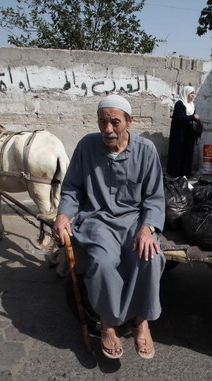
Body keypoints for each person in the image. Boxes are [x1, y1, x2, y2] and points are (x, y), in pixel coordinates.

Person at [53, 95, 165, 360]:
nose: (108, 129)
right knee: (103, 262)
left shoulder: (146, 149)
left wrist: (148, 227)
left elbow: (154, 197)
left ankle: (141, 321)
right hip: (97, 219)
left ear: (129, 122)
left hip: (134, 220)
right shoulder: (86, 146)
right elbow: (71, 188)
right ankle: (109, 324)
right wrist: (63, 215)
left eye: (115, 122)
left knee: (149, 257)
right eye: (103, 122)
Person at [166, 86, 200, 178]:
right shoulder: (180, 104)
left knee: (187, 155)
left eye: (194, 93)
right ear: (186, 94)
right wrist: (193, 117)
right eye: (191, 93)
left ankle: (185, 173)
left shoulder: (192, 105)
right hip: (179, 135)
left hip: (189, 136)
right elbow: (179, 119)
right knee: (178, 154)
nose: (193, 96)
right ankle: (175, 173)